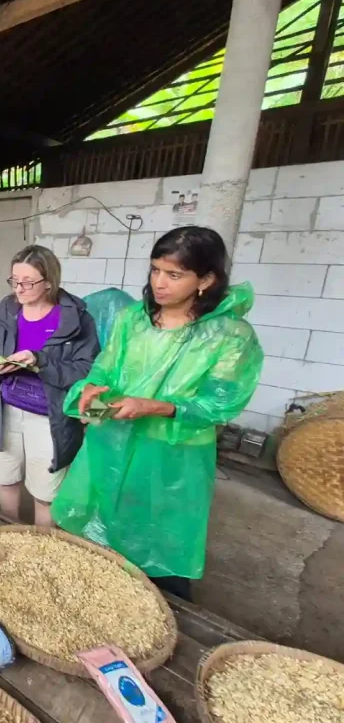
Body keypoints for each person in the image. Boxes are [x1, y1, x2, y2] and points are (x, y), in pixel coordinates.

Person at [52, 226, 263, 600]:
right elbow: (105, 367)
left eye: (174, 274)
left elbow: (219, 404)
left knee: (161, 546)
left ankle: (163, 621)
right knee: (100, 528)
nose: (159, 283)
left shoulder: (230, 336)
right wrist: (91, 387)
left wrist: (155, 407)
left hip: (172, 458)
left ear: (206, 280)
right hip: (111, 441)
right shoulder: (134, 319)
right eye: (155, 270)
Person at [0, 245, 100, 526]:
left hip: (50, 418)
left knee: (45, 494)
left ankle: (40, 549)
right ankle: (10, 532)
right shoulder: (5, 312)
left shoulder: (76, 320)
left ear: (48, 283)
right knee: (5, 479)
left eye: (28, 282)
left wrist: (41, 361)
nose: (19, 289)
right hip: (6, 410)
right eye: (14, 281)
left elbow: (87, 369)